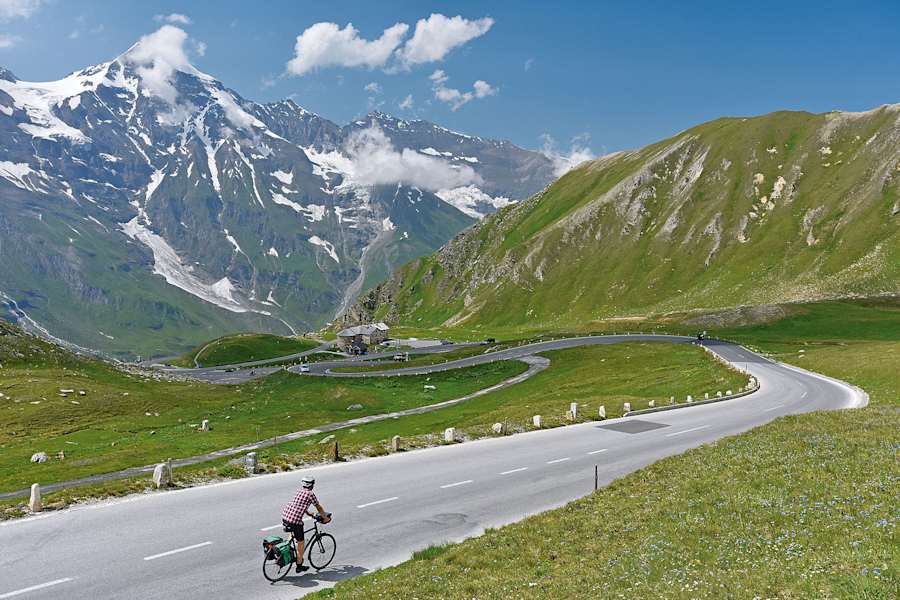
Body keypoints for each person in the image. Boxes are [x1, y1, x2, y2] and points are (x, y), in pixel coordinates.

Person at [282, 476, 331, 572]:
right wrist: (325, 518)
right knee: (301, 543)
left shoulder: (299, 491)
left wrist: (308, 513)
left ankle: (287, 548)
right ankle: (299, 565)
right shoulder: (310, 494)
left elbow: (299, 504)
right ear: (311, 485)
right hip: (295, 521)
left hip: (285, 516)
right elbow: (319, 507)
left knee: (293, 532)